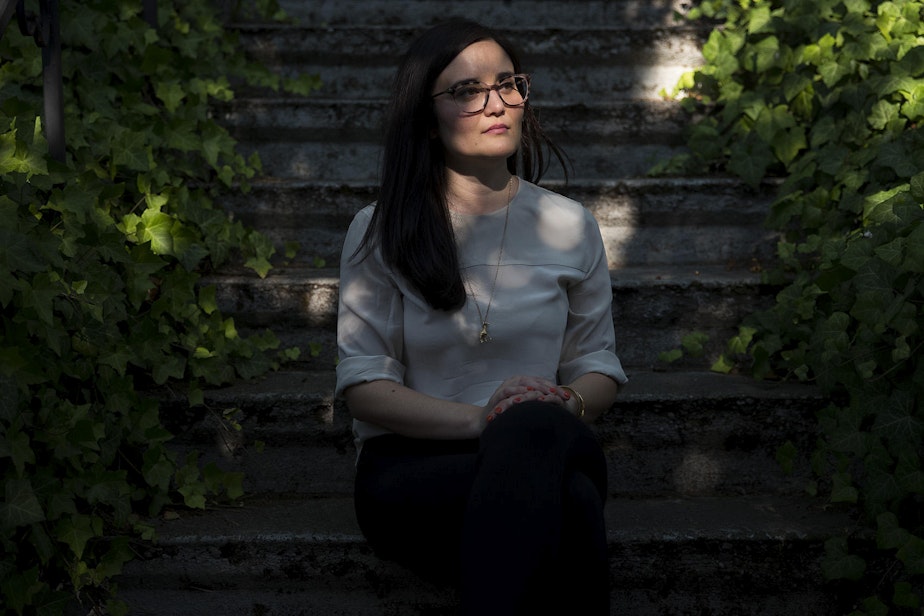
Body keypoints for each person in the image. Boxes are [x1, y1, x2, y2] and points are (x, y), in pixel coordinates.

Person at [335, 19, 628, 616]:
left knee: (538, 431)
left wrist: (562, 405)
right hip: (414, 471)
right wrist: (491, 419)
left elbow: (596, 366)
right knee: (569, 498)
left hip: (547, 440)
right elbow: (366, 389)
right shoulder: (382, 227)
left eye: (508, 84)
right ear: (426, 115)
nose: (496, 104)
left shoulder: (571, 225)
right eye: (467, 91)